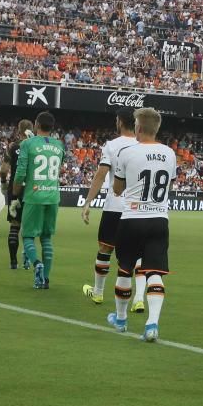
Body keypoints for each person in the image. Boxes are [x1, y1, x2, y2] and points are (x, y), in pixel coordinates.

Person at [109, 107, 176, 342]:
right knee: (155, 272)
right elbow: (168, 186)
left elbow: (117, 189)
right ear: (156, 129)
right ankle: (152, 324)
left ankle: (120, 319)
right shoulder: (169, 153)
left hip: (132, 218)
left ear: (138, 128)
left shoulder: (127, 151)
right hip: (159, 218)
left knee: (125, 268)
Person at [81, 108, 141, 308]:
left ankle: (98, 293)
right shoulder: (143, 145)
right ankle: (138, 299)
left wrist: (88, 201)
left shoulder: (112, 145)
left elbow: (101, 174)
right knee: (134, 254)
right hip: (136, 208)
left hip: (115, 206)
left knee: (105, 248)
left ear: (119, 122)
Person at [13, 112, 65, 289]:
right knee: (46, 238)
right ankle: (46, 279)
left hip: (34, 196)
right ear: (52, 127)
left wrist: (14, 195)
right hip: (52, 196)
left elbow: (20, 173)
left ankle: (36, 263)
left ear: (36, 125)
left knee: (27, 236)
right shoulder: (60, 145)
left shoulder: (28, 143)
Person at [5, 120, 33, 269]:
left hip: (14, 190)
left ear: (19, 130)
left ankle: (13, 262)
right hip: (30, 191)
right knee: (29, 228)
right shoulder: (35, 147)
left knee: (14, 226)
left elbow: (3, 170)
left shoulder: (12, 147)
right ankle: (27, 260)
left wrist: (4, 183)